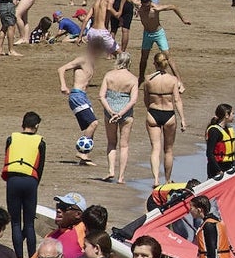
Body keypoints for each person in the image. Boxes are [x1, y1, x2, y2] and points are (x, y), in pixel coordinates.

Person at [2, 111, 46, 258]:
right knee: (29, 224)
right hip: (30, 181)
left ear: (23, 124)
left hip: (13, 181)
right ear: (37, 125)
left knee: (15, 222)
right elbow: (40, 168)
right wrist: (34, 185)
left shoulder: (11, 139)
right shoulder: (40, 142)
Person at [143, 52, 185, 183]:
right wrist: (183, 119)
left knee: (155, 148)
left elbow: (146, 99)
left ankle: (156, 179)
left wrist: (150, 109)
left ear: (155, 63)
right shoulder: (172, 80)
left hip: (153, 113)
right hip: (168, 114)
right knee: (168, 150)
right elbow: (177, 100)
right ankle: (167, 180)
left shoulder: (148, 79)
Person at [57, 41, 101, 165]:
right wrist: (63, 86)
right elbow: (61, 69)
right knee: (94, 123)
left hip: (83, 96)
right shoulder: (82, 59)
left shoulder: (92, 63)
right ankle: (81, 152)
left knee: (90, 127)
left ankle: (84, 157)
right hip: (76, 96)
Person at [99, 52, 139, 184]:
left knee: (111, 142)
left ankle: (111, 170)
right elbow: (133, 101)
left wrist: (110, 111)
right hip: (126, 113)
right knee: (124, 145)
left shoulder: (109, 75)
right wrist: (121, 113)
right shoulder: (133, 79)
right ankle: (121, 177)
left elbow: (101, 96)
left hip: (109, 111)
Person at [204, 104, 235, 179]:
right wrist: (218, 170)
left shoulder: (229, 129)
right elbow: (209, 153)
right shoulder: (214, 131)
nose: (234, 115)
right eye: (233, 113)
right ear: (226, 115)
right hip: (216, 168)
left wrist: (234, 165)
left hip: (229, 166)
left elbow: (232, 152)